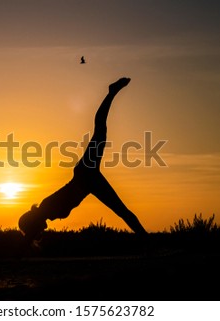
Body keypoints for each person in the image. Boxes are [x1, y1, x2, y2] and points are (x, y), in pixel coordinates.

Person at [19, 77, 148, 244]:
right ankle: (149, 243)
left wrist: (23, 245)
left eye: (36, 230)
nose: (43, 230)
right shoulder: (47, 212)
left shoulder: (46, 208)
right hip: (88, 180)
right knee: (122, 211)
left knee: (100, 129)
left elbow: (66, 199)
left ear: (33, 223)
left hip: (86, 176)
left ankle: (111, 92)